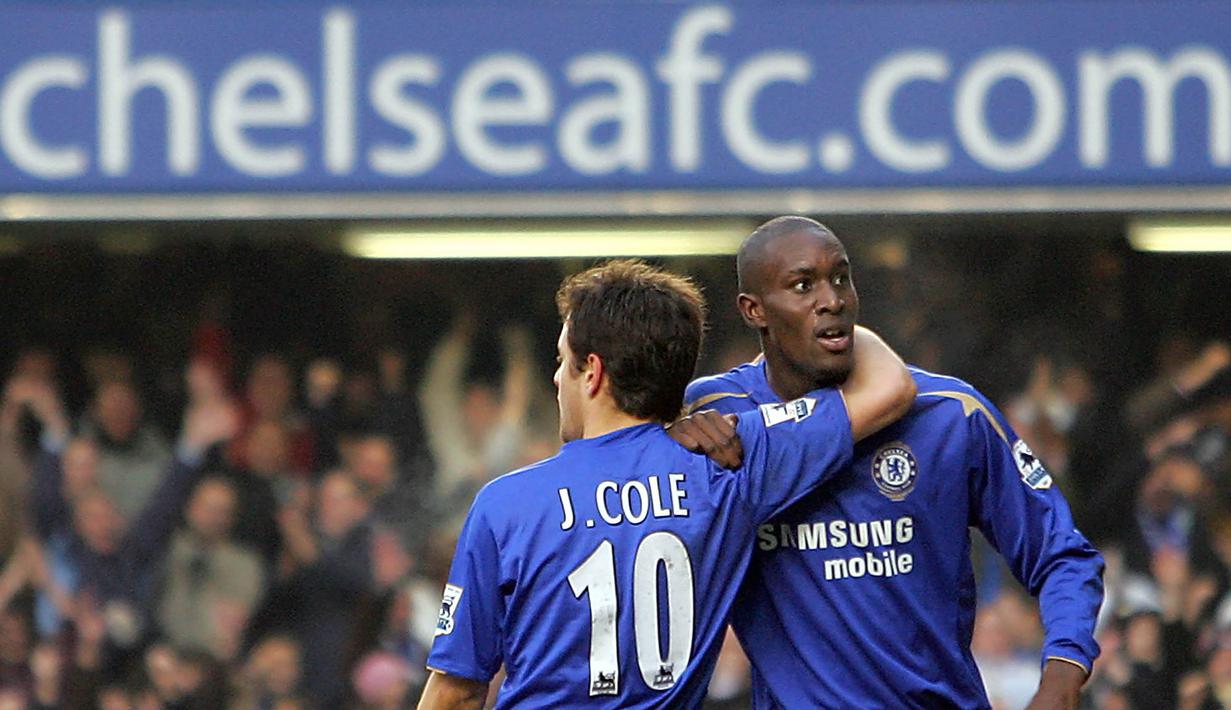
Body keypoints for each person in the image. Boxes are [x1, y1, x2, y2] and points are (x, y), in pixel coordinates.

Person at [417, 259, 916, 709]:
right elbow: (890, 386)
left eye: (561, 360)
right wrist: (836, 316)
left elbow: (457, 691)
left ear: (592, 372)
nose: (555, 379)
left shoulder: (506, 504)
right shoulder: (731, 464)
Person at [680, 216, 1105, 709]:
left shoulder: (949, 413)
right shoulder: (722, 416)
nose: (832, 300)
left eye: (841, 277)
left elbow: (1063, 556)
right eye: (803, 285)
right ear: (754, 310)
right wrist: (671, 430)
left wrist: (1062, 676)